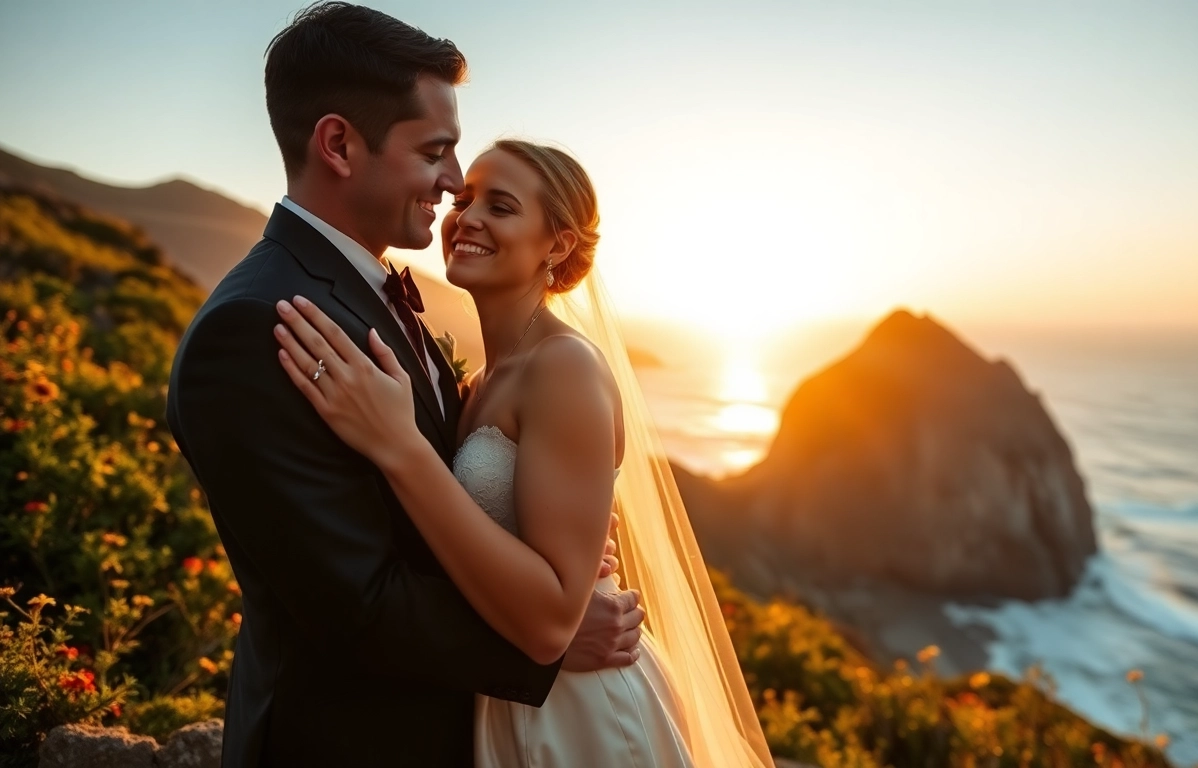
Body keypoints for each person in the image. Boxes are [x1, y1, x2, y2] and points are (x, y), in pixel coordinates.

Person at [166, 5, 641, 766]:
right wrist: (548, 642)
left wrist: (555, 554)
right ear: (338, 144)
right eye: (435, 153)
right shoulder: (258, 326)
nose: (453, 187)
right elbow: (354, 601)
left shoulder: (377, 297)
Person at [271, 138, 773, 766]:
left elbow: (553, 617)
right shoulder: (478, 382)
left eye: (501, 207)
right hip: (506, 696)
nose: (467, 218)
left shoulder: (564, 366)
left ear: (557, 245)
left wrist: (400, 445)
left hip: (583, 712)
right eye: (465, 200)